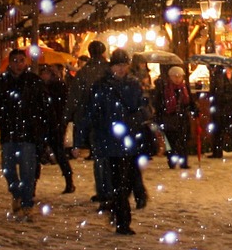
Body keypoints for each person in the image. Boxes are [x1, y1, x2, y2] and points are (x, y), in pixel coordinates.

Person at [79, 50, 147, 234]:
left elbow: (141, 107)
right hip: (110, 139)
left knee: (129, 178)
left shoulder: (132, 84)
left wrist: (142, 118)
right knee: (118, 181)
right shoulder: (101, 87)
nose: (121, 69)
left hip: (130, 138)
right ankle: (122, 220)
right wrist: (81, 139)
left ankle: (122, 208)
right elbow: (91, 113)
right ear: (111, 66)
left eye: (124, 65)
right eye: (118, 65)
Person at [0, 47, 50, 217]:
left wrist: (42, 128)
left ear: (26, 62)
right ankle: (17, 193)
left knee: (28, 171)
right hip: (9, 132)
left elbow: (44, 107)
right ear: (10, 63)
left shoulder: (33, 82)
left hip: (28, 133)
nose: (18, 64)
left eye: (21, 61)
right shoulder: (2, 82)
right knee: (8, 169)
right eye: (15, 61)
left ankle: (26, 203)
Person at [37, 59, 75, 193]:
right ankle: (68, 180)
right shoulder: (52, 86)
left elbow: (56, 106)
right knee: (50, 153)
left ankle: (69, 181)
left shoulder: (53, 87)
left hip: (53, 124)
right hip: (51, 123)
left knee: (54, 153)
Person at [153, 62, 194, 168]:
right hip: (169, 118)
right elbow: (158, 103)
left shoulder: (184, 88)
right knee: (170, 141)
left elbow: (190, 101)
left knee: (183, 141)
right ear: (170, 77)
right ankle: (171, 160)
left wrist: (194, 110)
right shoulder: (165, 89)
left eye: (179, 76)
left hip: (182, 118)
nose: (177, 79)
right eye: (175, 76)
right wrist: (160, 115)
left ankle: (183, 162)